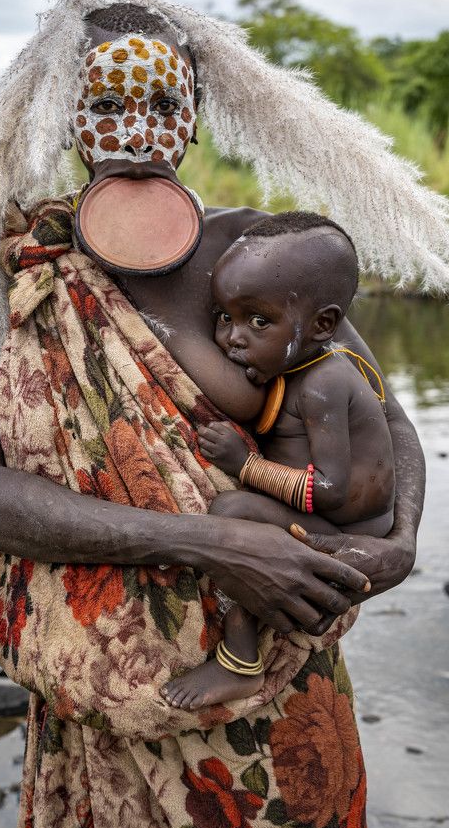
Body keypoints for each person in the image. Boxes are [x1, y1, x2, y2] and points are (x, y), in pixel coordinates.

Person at [0, 0, 449, 828]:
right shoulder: (17, 273)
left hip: (282, 679)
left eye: (161, 102)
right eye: (105, 103)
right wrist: (213, 544)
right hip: (101, 693)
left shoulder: (260, 260)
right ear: (63, 119)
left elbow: (379, 414)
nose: (135, 131)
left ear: (194, 116)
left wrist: (402, 539)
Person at [161, 211, 396, 710]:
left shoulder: (325, 382)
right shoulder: (292, 366)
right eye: (224, 317)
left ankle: (240, 663)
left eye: (259, 322)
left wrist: (246, 466)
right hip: (327, 513)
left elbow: (330, 488)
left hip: (350, 528)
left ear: (322, 325)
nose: (233, 337)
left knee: (232, 513)